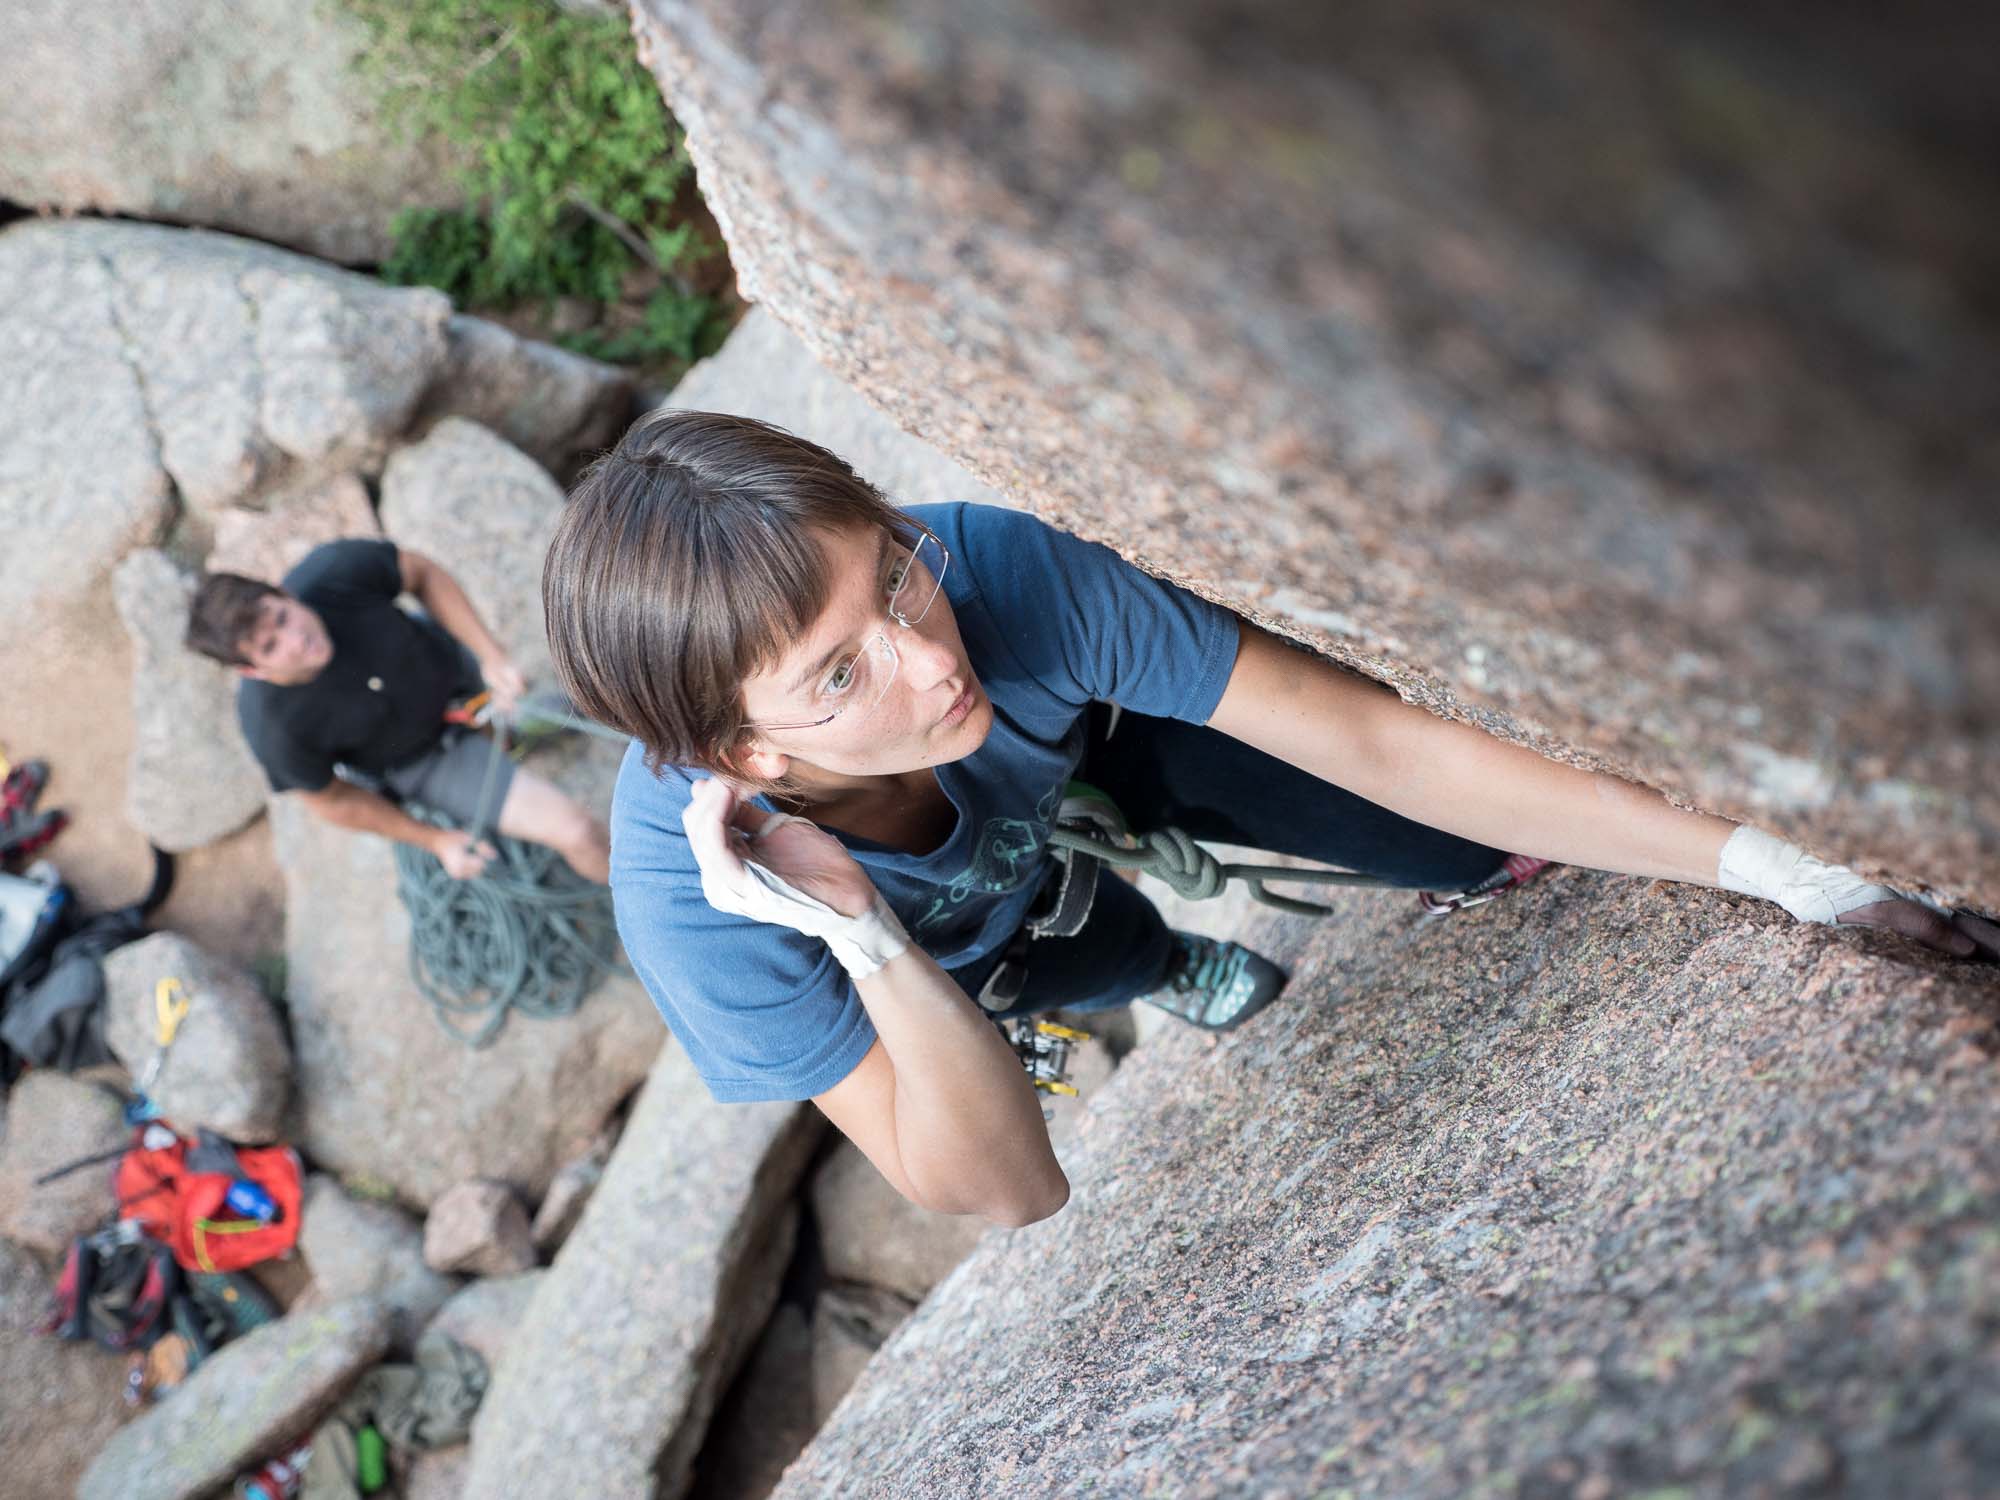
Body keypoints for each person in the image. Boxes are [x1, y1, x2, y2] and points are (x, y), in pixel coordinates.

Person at [542, 411, 1997, 1229]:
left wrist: (1776, 869)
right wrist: (858, 930)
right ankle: (1170, 971)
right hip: (951, 948)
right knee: (1083, 959)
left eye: (893, 578)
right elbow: (1004, 1189)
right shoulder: (693, 910)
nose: (931, 657)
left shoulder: (983, 573)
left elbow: (1369, 732)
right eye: (841, 673)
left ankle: (1151, 907)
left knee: (1479, 850)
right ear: (742, 748)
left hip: (1097, 774)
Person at [187, 539, 609, 885]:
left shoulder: (335, 572)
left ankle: (521, 733)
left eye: (282, 617)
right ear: (251, 670)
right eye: (270, 647)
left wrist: (491, 656)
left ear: (281, 592)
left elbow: (422, 573)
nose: (296, 639)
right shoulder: (273, 729)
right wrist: (436, 841)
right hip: (430, 760)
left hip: (459, 675)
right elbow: (331, 801)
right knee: (579, 832)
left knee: (587, 705)